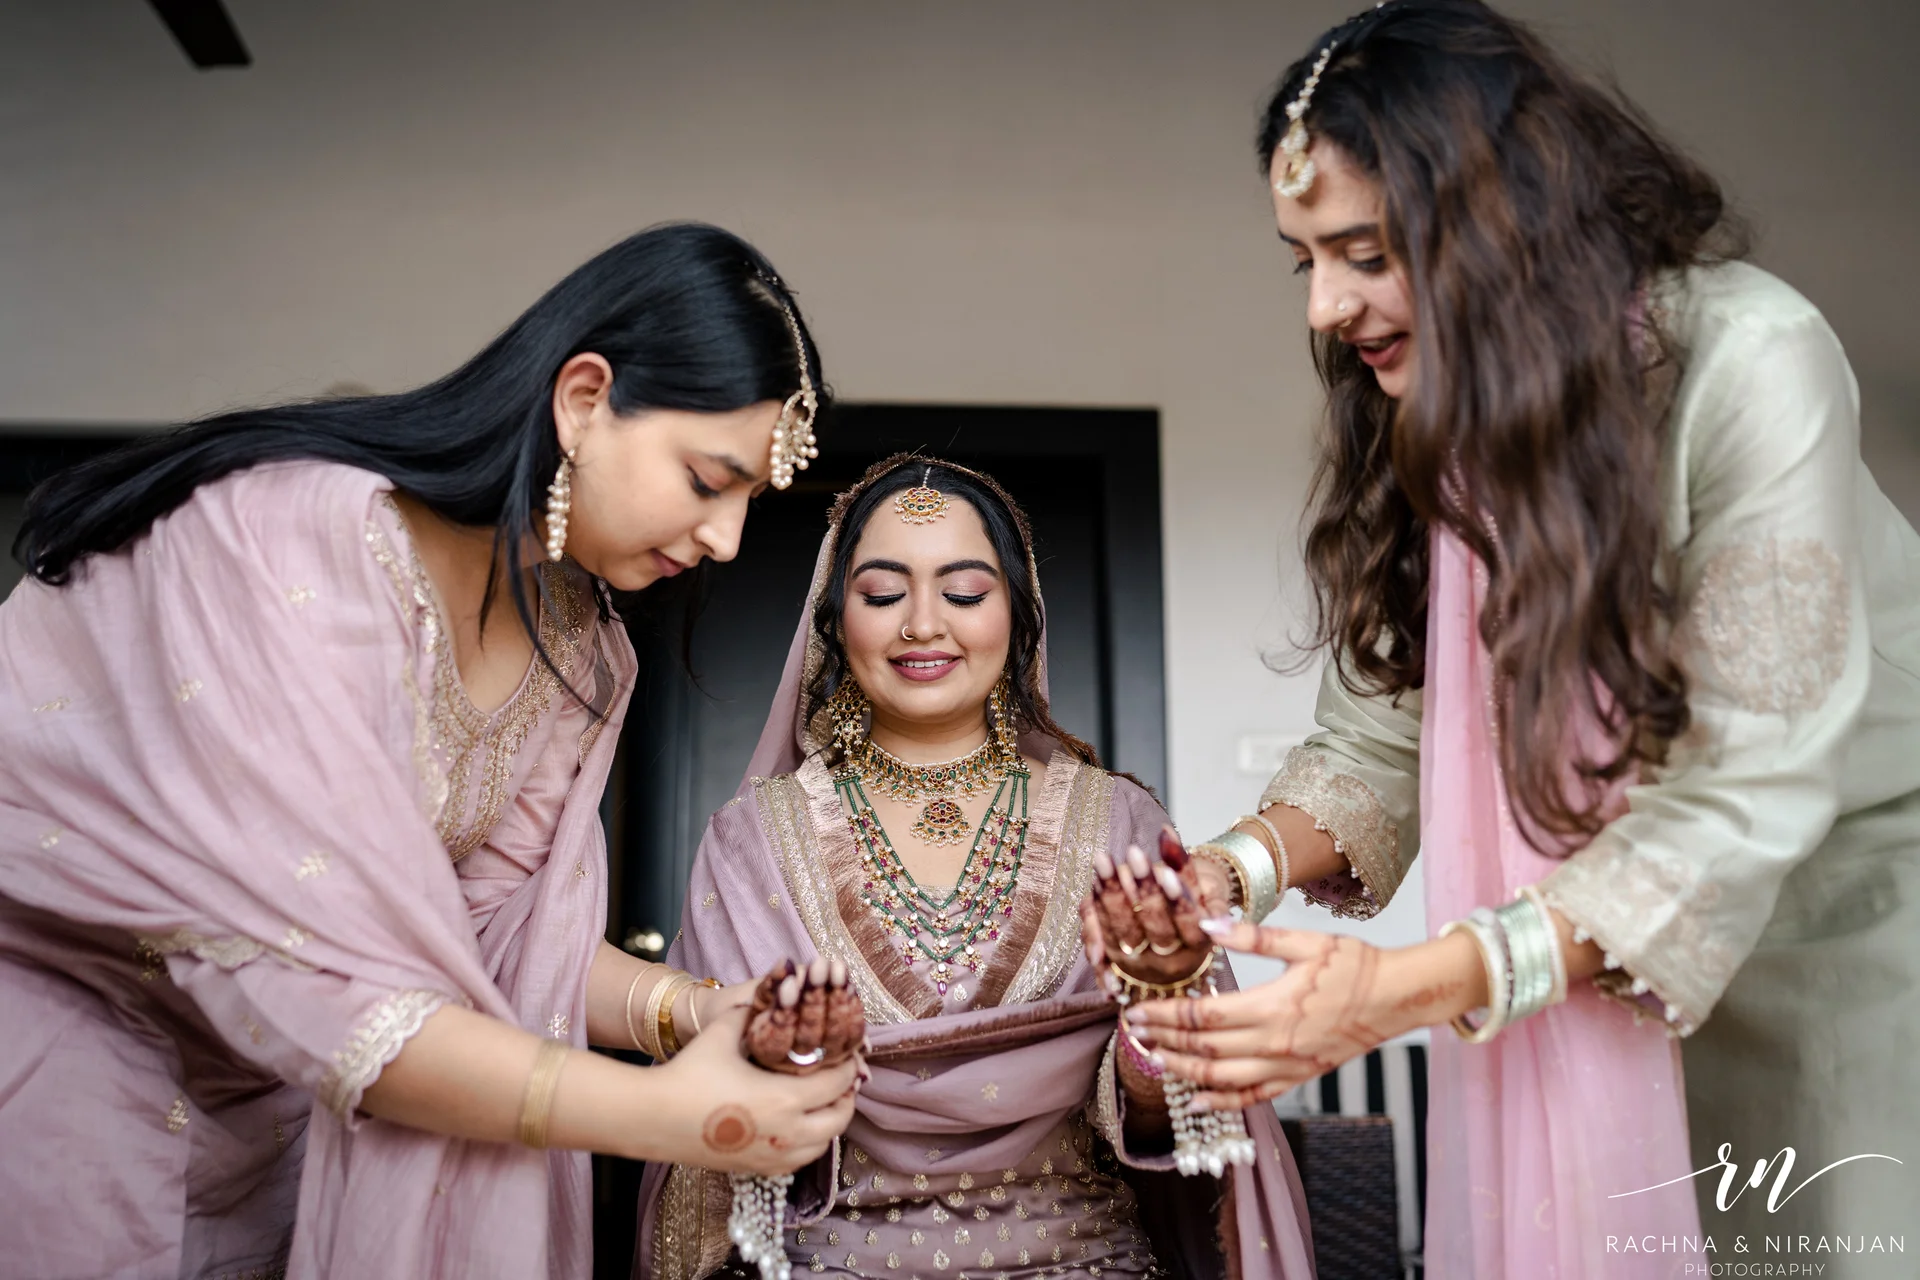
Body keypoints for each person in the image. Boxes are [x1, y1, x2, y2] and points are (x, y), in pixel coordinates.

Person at [1123, 1, 1920, 1275]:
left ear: (1497, 216)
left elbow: (1747, 789)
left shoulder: (1748, 359)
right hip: (1558, 956)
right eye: (1302, 259)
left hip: (1827, 932)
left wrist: (1401, 989)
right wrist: (1223, 877)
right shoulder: (1436, 412)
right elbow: (1387, 723)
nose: (1328, 305)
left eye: (1367, 252)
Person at [0, 222, 861, 1280]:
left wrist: (691, 1010)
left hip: (286, 1125)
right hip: (62, 1069)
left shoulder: (577, 645)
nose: (725, 539)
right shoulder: (288, 540)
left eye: (748, 503)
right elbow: (314, 968)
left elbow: (494, 937)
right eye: (706, 479)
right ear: (584, 400)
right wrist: (659, 1114)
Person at [634, 457, 1314, 1279]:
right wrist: (785, 1057)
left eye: (963, 593)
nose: (923, 624)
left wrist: (1161, 1006)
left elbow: (1178, 1113)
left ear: (1018, 615)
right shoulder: (756, 839)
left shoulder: (1118, 822)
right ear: (834, 621)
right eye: (884, 594)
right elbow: (725, 1127)